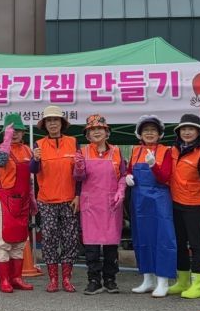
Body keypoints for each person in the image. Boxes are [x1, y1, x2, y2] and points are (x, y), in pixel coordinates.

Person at [73, 114, 125, 295]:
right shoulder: (82, 152)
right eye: (92, 129)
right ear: (87, 135)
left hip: (111, 203)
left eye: (100, 129)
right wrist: (78, 168)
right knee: (91, 244)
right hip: (91, 203)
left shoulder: (117, 151)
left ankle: (110, 279)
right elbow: (78, 178)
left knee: (111, 244)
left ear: (106, 132)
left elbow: (123, 175)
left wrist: (121, 190)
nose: (96, 132)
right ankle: (94, 279)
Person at [30, 105, 80, 293]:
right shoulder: (39, 144)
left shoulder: (73, 142)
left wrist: (78, 195)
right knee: (49, 239)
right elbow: (33, 170)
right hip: (47, 200)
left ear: (61, 123)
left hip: (69, 200)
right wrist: (35, 159)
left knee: (70, 239)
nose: (52, 123)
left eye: (56, 120)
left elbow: (80, 172)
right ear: (45, 124)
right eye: (49, 121)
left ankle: (66, 279)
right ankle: (53, 279)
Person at [127, 115, 176, 298]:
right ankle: (148, 279)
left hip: (159, 198)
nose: (149, 133)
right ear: (140, 134)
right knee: (142, 237)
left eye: (153, 130)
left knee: (163, 238)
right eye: (146, 130)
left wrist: (154, 165)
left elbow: (165, 177)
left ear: (159, 134)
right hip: (139, 200)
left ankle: (163, 281)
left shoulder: (166, 151)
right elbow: (130, 169)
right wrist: (128, 176)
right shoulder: (135, 150)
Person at [167, 114, 200, 299]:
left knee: (196, 244)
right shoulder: (173, 150)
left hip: (194, 203)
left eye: (191, 129)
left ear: (198, 132)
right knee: (179, 243)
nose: (187, 132)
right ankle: (182, 281)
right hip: (175, 202)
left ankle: (198, 285)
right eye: (184, 129)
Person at [0, 113, 37, 293]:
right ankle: (4, 280)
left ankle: (16, 278)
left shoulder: (28, 150)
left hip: (23, 200)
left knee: (20, 240)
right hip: (3, 199)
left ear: (23, 132)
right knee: (4, 240)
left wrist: (32, 199)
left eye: (18, 130)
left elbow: (31, 178)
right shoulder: (0, 150)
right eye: (11, 130)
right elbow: (0, 162)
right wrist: (7, 141)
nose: (15, 133)